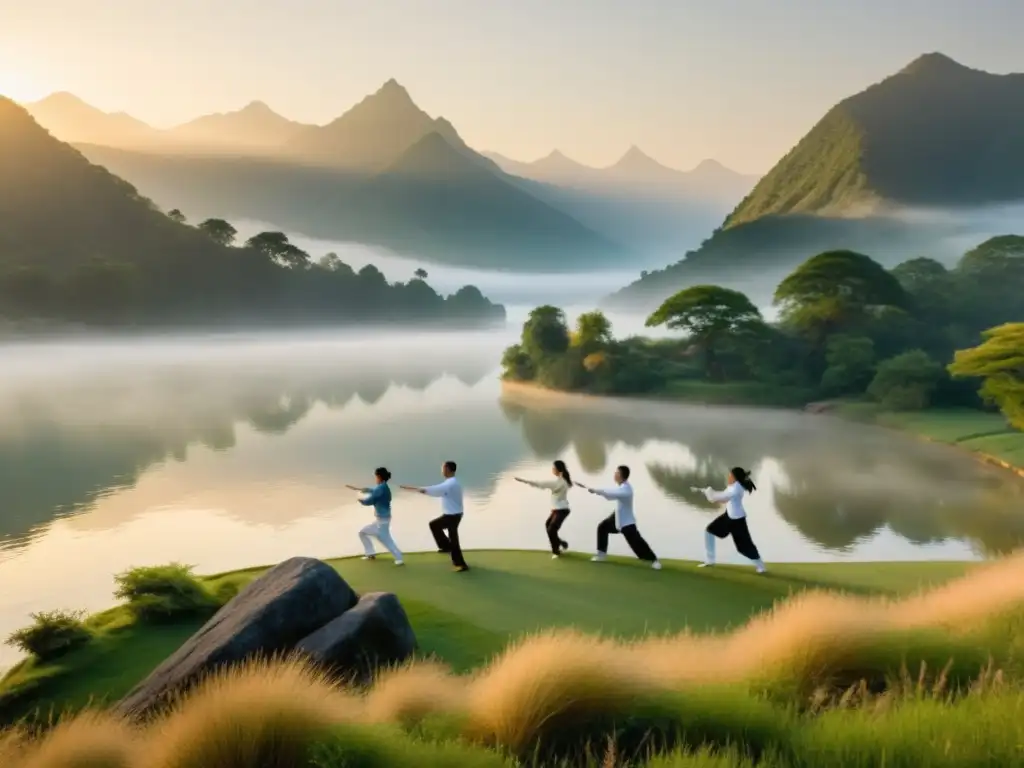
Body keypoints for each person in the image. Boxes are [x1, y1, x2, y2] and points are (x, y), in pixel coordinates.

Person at [576, 465, 662, 570]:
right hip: (617, 516)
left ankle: (654, 560)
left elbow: (612, 493)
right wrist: (596, 491)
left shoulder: (626, 489)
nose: (614, 474)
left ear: (621, 475)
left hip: (627, 521)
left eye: (616, 473)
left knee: (637, 543)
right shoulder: (621, 487)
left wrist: (596, 490)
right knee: (602, 527)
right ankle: (601, 554)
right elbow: (610, 495)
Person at [400, 460, 469, 572]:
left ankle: (459, 562)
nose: (442, 470)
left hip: (452, 516)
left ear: (448, 469)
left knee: (439, 528)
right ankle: (448, 548)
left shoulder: (450, 483)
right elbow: (437, 490)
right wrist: (418, 489)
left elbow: (436, 490)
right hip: (455, 514)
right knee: (438, 528)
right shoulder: (453, 482)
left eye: (443, 468)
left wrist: (418, 489)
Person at [695, 467, 766, 573]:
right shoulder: (732, 486)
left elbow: (718, 498)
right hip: (728, 516)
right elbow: (724, 500)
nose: (728, 477)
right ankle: (710, 560)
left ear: (735, 477)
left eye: (730, 475)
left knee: (744, 547)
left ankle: (761, 566)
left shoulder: (736, 488)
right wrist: (711, 493)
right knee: (709, 531)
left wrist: (710, 492)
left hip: (737, 520)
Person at [514, 459, 573, 558]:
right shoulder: (564, 480)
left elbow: (539, 484)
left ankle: (556, 551)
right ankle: (561, 544)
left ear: (558, 470)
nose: (552, 470)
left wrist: (524, 481)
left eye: (554, 468)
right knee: (548, 526)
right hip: (558, 510)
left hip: (561, 511)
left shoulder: (558, 482)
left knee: (551, 530)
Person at [346, 468, 403, 566]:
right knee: (362, 532)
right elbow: (373, 490)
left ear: (379, 477)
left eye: (376, 476)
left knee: (385, 539)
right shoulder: (383, 487)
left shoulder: (381, 489)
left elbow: (370, 501)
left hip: (383, 520)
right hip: (380, 520)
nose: (375, 478)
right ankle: (370, 553)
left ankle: (399, 558)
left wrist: (360, 500)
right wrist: (363, 489)